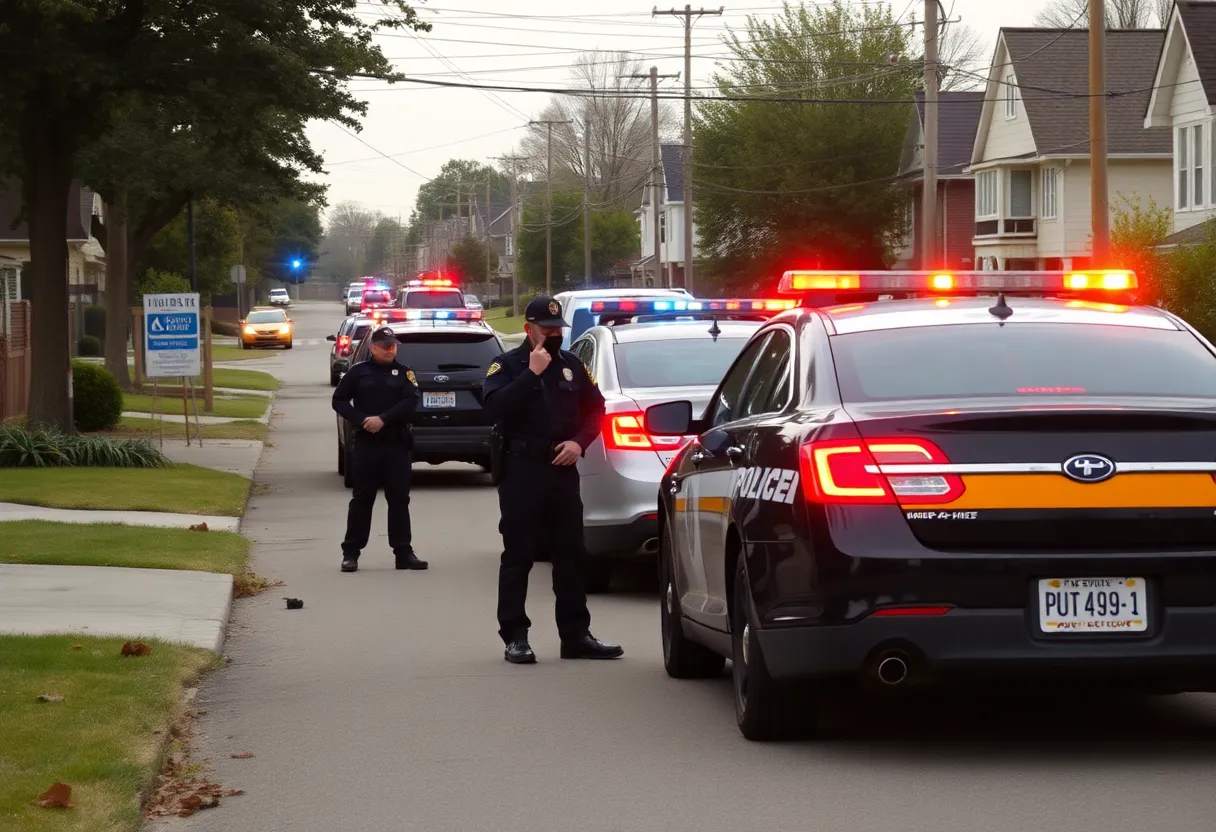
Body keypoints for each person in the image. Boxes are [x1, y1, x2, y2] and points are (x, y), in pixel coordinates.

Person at [483, 296, 624, 664]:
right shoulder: (506, 365)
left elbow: (596, 409)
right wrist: (531, 373)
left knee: (571, 555)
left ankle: (575, 635)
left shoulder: (572, 366)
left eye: (558, 331)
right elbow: (495, 407)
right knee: (519, 555)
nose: (554, 337)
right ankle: (515, 636)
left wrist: (579, 443)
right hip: (522, 471)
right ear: (528, 330)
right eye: (547, 331)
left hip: (563, 471)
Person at [331, 325, 428, 573]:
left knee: (399, 499)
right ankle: (351, 553)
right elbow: (339, 400)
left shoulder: (405, 374)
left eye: (393, 346)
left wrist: (383, 418)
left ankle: (404, 552)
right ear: (373, 348)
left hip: (396, 443)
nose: (390, 350)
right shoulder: (358, 372)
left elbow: (411, 401)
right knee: (363, 499)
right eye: (385, 346)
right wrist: (362, 419)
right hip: (367, 444)